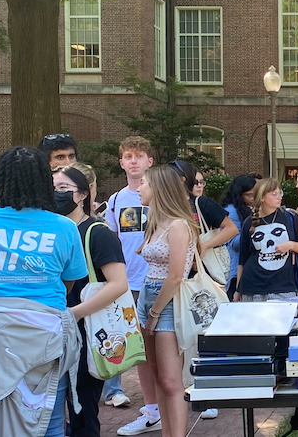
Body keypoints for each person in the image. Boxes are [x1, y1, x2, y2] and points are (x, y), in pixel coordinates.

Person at [0, 146, 88, 437]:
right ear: (44, 182)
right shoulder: (64, 227)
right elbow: (70, 283)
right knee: (49, 423)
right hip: (46, 336)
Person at [54, 165, 128, 437]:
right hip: (54, 332)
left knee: (82, 412)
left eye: (63, 188)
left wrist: (74, 313)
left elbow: (119, 284)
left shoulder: (97, 232)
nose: (55, 194)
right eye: (52, 188)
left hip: (87, 334)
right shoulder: (54, 230)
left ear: (83, 194)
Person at [134, 166, 199, 437]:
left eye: (144, 184)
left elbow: (175, 276)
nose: (139, 188)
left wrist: (155, 313)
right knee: (157, 374)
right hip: (148, 294)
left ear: (159, 189)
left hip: (168, 300)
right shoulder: (153, 221)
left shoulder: (179, 225)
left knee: (172, 381)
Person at [104, 136, 155, 426]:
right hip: (128, 283)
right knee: (130, 342)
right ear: (121, 162)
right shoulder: (115, 200)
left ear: (149, 161)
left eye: (139, 155)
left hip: (157, 279)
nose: (133, 161)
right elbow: (113, 240)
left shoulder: (158, 195)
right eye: (128, 156)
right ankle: (132, 396)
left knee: (164, 345)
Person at [235, 178, 298, 302]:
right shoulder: (249, 222)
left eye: (280, 193)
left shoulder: (290, 216)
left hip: (284, 286)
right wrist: (238, 290)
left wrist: (290, 245)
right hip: (252, 287)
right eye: (274, 194)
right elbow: (243, 258)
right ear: (262, 198)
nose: (279, 197)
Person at [220, 174, 258, 298]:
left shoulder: (248, 209)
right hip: (236, 269)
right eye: (249, 195)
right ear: (239, 194)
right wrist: (254, 230)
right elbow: (233, 243)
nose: (253, 198)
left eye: (255, 194)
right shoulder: (231, 211)